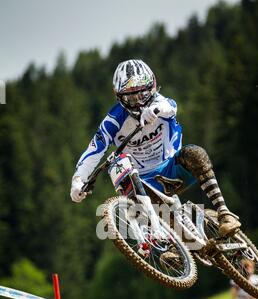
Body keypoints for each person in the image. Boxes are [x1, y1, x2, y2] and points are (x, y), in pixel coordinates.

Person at [70, 59, 240, 237]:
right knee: (116, 166)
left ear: (152, 87)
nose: (137, 102)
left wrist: (155, 110)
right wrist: (78, 180)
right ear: (119, 96)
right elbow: (94, 150)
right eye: (130, 97)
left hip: (172, 169)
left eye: (142, 95)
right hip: (144, 183)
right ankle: (163, 243)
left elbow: (171, 107)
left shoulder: (160, 102)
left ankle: (224, 213)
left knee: (195, 153)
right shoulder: (113, 120)